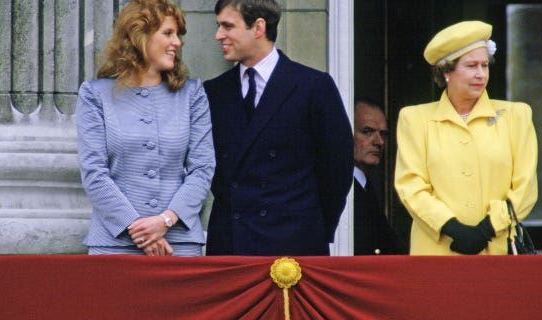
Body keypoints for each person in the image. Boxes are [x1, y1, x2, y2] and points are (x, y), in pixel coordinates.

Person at [203, 0, 353, 256]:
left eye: (227, 26)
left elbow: (337, 170)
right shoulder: (213, 91)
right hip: (229, 246)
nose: (219, 36)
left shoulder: (313, 87)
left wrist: (313, 229)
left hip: (293, 245)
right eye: (219, 26)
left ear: (258, 27)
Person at [75, 0, 215, 256]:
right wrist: (141, 231)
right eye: (168, 33)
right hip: (115, 244)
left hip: (179, 243)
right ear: (140, 35)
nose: (178, 43)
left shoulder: (192, 94)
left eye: (178, 35)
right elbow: (94, 173)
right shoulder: (95, 96)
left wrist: (165, 221)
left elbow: (203, 168)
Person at [394, 21, 538, 255]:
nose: (481, 74)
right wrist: (451, 227)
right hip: (436, 253)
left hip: (498, 250)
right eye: (471, 66)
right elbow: (411, 186)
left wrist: (488, 229)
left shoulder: (516, 116)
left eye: (485, 65)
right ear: (447, 71)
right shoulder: (415, 119)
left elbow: (525, 187)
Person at [353, 98, 400, 255]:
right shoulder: (337, 187)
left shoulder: (365, 186)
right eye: (367, 132)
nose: (379, 142)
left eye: (383, 134)